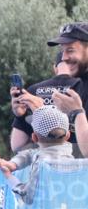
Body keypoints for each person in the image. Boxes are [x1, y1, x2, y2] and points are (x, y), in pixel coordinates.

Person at [12, 22, 88, 158]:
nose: (64, 57)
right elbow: (18, 147)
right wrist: (22, 116)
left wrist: (76, 112)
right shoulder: (81, 85)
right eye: (62, 51)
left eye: (70, 50)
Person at [0, 105, 73, 205]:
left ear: (34, 137)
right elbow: (33, 153)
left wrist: (8, 176)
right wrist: (13, 164)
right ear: (68, 135)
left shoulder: (42, 165)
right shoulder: (71, 158)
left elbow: (27, 196)